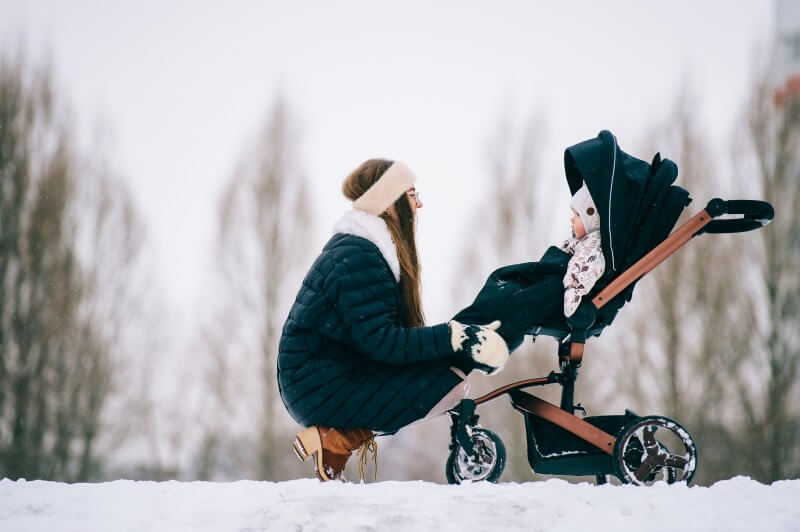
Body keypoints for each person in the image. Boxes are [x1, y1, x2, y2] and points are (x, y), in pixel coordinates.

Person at [277, 158, 509, 482]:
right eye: (413, 194)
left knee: (439, 376)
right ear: (389, 204)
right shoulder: (360, 256)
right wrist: (453, 337)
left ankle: (336, 440)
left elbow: (380, 340)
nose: (420, 203)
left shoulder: (363, 251)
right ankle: (335, 438)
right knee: (449, 383)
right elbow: (384, 342)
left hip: (321, 378)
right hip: (318, 384)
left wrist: (450, 340)